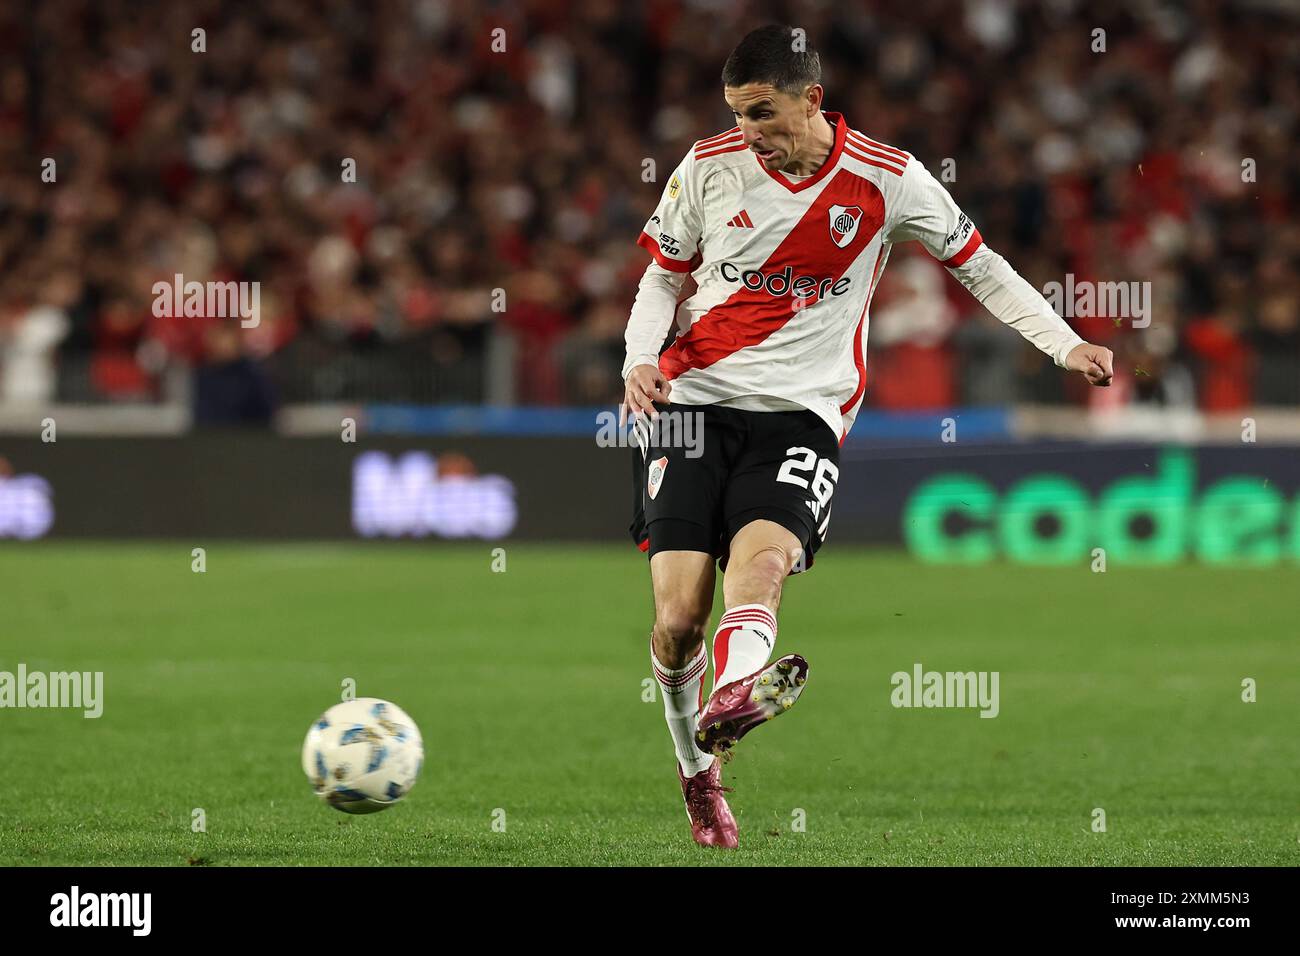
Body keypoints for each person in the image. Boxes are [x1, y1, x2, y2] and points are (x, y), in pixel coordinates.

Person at [622, 24, 1114, 849]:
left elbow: (980, 265)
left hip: (803, 414)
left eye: (763, 113)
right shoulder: (708, 165)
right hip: (692, 402)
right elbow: (663, 275)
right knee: (678, 618)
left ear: (813, 98)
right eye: (738, 114)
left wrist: (1066, 344)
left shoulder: (888, 180)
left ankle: (739, 692)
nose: (749, 132)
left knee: (764, 563)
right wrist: (640, 358)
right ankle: (697, 773)